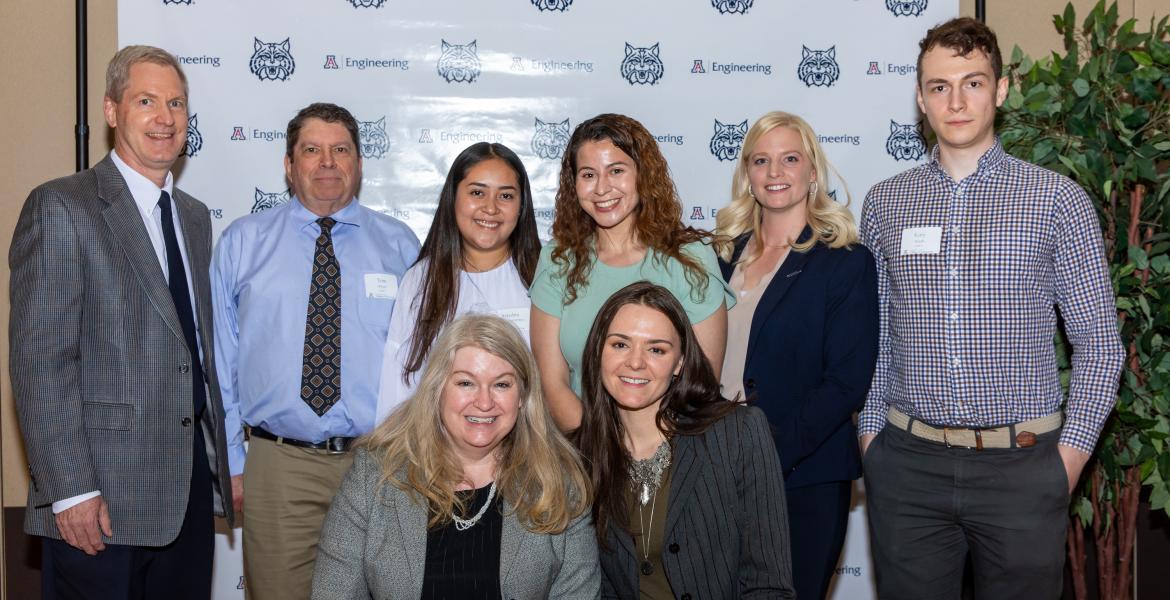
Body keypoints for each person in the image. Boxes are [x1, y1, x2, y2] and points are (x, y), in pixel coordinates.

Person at [858, 17, 1125, 598]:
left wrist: (1068, 462)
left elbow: (1101, 346)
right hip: (907, 469)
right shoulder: (885, 203)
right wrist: (872, 441)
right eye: (939, 86)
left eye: (973, 83)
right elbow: (875, 337)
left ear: (1000, 91)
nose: (956, 101)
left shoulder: (1056, 200)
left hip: (1023, 469)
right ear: (921, 99)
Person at [10, 45, 234, 598]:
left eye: (177, 103)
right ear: (111, 111)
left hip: (187, 498)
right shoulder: (64, 206)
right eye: (146, 101)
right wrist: (70, 491)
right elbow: (41, 361)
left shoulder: (194, 218)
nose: (165, 118)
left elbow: (196, 353)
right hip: (101, 502)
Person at [211, 102, 420, 599]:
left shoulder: (402, 246)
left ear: (359, 164)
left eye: (340, 150)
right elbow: (219, 363)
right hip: (280, 466)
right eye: (312, 150)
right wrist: (232, 465)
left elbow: (424, 361)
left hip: (381, 463)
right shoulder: (243, 243)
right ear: (289, 165)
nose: (327, 162)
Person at [312, 314, 599, 599]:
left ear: (522, 397)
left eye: (502, 384)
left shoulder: (559, 482)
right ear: (438, 390)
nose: (484, 402)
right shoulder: (374, 475)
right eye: (465, 383)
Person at [713, 111, 878, 600]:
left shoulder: (845, 260)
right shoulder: (721, 255)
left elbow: (846, 382)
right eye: (760, 161)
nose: (774, 172)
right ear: (747, 173)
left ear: (812, 171)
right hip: (717, 469)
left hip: (804, 475)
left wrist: (764, 456)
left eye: (789, 159)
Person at [575, 282, 795, 599]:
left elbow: (769, 585)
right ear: (598, 351)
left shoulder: (738, 434)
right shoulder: (579, 457)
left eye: (656, 349)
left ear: (679, 363)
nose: (635, 362)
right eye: (620, 345)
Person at [531, 113, 734, 431]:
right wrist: (603, 454)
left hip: (672, 450)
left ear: (643, 175)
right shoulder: (558, 261)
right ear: (574, 184)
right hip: (582, 453)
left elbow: (700, 385)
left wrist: (644, 455)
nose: (602, 188)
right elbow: (552, 384)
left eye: (616, 171)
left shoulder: (689, 259)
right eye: (588, 174)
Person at [375, 142, 540, 422]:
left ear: (521, 206)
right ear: (453, 198)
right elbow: (398, 383)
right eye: (477, 193)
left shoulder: (546, 275)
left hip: (530, 450)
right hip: (438, 455)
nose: (490, 208)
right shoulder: (420, 280)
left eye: (506, 196)